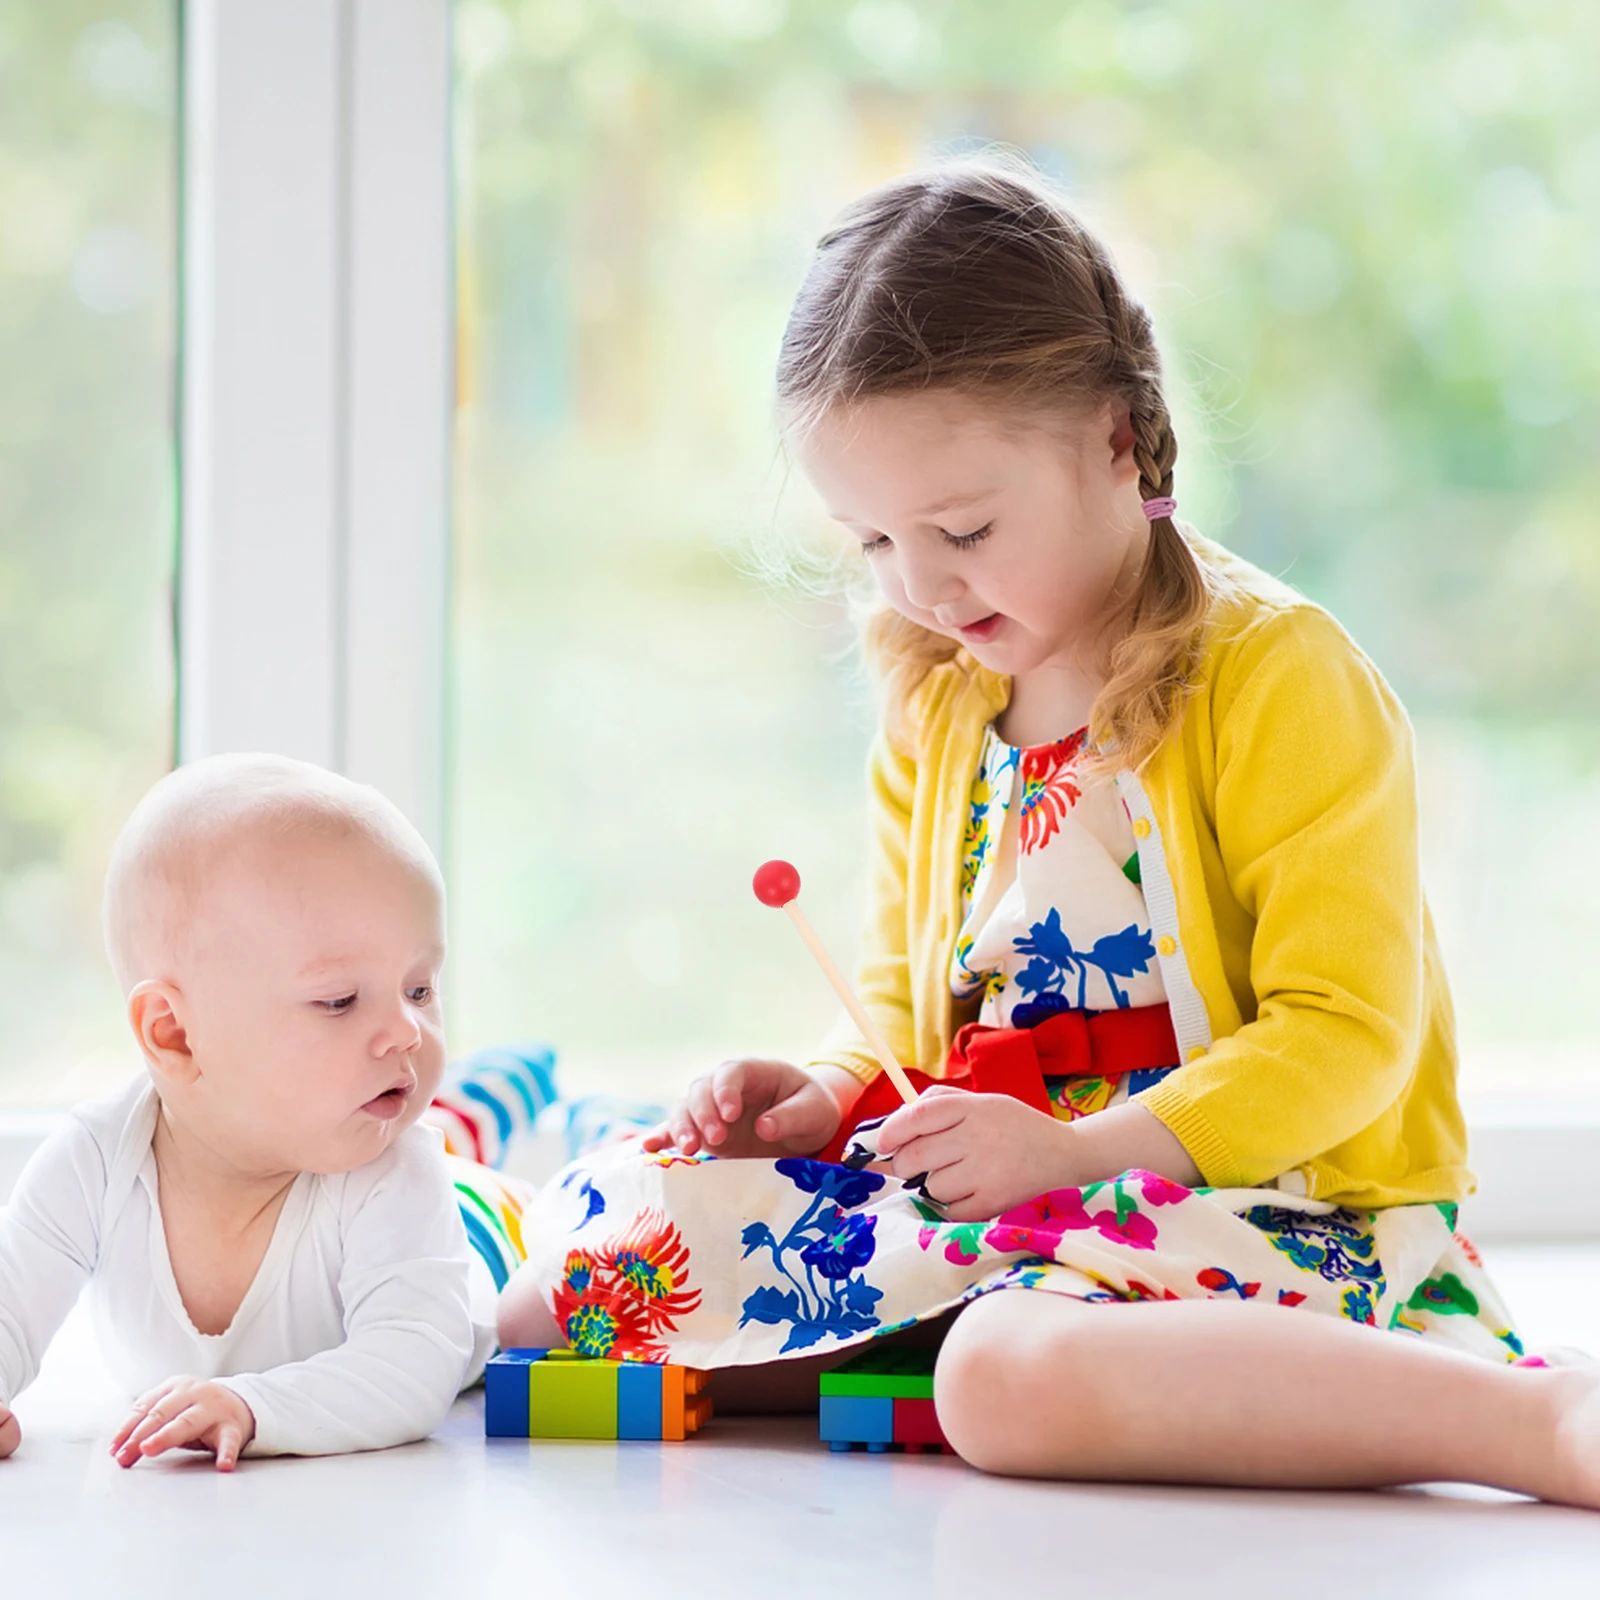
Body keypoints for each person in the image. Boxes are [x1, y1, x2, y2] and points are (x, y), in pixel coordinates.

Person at [499, 158, 1600, 1505]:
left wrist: (1080, 1155)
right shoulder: (939, 692)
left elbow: (1346, 1035)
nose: (920, 584)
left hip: (1257, 1199)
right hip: (1006, 1204)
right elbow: (907, 1001)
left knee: (1003, 1378)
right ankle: (1021, 1328)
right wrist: (827, 1095)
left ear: (1117, 437)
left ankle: (1532, 1421)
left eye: (961, 528)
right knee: (569, 1292)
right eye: (873, 542)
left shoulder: (1278, 675)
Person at [0, 754, 493, 1469]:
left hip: (482, 1238)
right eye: (339, 1001)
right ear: (175, 1034)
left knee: (548, 1278)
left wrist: (255, 1406)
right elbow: (10, 1305)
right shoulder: (94, 1161)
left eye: (419, 989)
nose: (406, 1032)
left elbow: (413, 1366)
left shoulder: (394, 1165)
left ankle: (506, 1106)